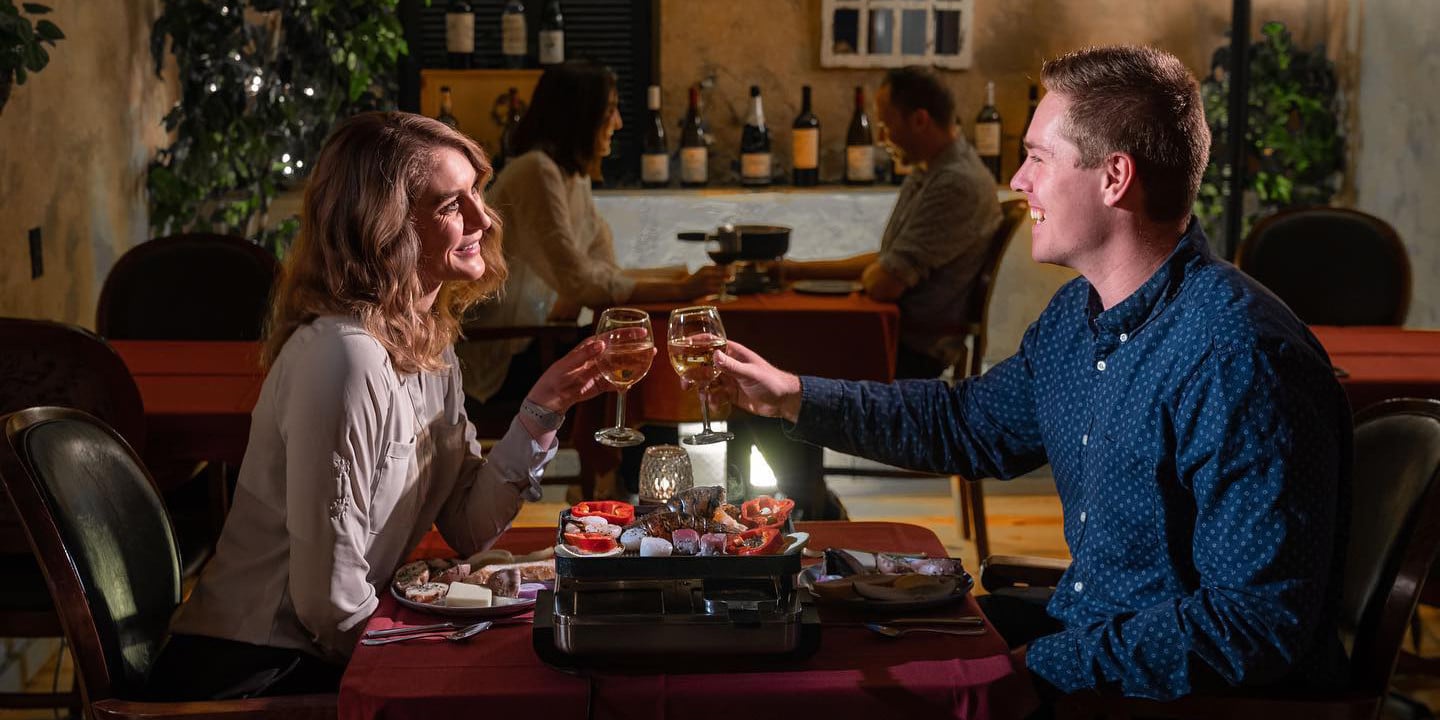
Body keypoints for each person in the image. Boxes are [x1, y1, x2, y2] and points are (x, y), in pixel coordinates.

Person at [706, 45, 1350, 704]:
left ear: (1114, 178)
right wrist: (793, 397)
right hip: (1087, 636)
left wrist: (1035, 670)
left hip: (1171, 698)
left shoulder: (1238, 360)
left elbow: (1253, 627)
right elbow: (967, 424)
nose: (1017, 181)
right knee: (826, 656)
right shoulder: (1080, 315)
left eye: (1038, 158)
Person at [146, 111, 610, 700]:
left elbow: (467, 525)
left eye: (477, 193)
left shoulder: (428, 342)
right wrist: (427, 654)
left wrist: (542, 408)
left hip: (329, 649)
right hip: (253, 671)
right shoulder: (342, 358)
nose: (482, 218)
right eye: (450, 205)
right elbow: (327, 604)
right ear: (382, 226)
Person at [458, 59, 723, 409]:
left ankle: (630, 460)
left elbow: (604, 272)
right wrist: (681, 288)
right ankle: (629, 460)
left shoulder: (573, 177)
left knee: (642, 352)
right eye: (610, 110)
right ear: (579, 115)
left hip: (541, 340)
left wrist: (679, 277)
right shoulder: (536, 172)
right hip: (509, 356)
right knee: (645, 360)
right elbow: (582, 283)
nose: (618, 123)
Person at [785, 65, 1002, 379]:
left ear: (919, 120)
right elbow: (887, 263)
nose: (882, 138)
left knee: (780, 351)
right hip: (893, 337)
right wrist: (794, 270)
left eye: (886, 125)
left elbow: (885, 282)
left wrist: (877, 274)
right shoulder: (930, 171)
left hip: (910, 353)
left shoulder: (956, 183)